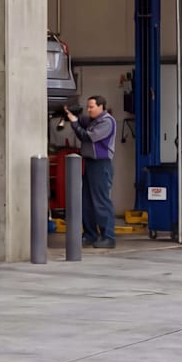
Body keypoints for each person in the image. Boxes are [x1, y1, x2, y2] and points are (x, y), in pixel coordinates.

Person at [66, 94, 117, 248]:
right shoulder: (94, 120)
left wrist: (74, 123)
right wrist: (74, 114)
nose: (89, 110)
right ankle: (89, 234)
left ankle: (108, 237)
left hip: (101, 165)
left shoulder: (107, 122)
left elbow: (87, 137)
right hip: (89, 164)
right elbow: (84, 120)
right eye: (88, 107)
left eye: (91, 107)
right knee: (87, 201)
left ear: (101, 106)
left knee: (101, 202)